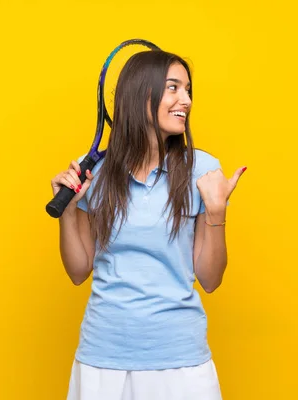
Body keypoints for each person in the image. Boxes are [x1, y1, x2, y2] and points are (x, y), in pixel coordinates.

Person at [50, 49, 246, 400]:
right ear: (141, 95)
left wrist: (217, 213)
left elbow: (211, 279)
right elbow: (79, 270)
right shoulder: (93, 170)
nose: (185, 100)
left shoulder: (203, 169)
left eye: (188, 91)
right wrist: (68, 211)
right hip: (103, 358)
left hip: (180, 359)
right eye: (173, 88)